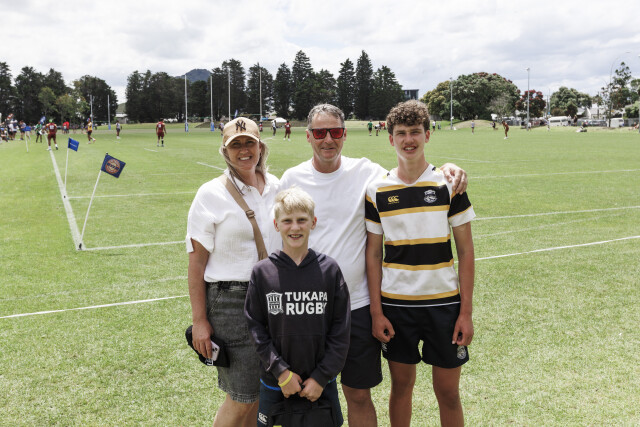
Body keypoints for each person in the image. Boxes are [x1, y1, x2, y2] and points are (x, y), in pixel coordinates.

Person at [279, 103, 468, 426]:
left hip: (360, 306)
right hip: (310, 306)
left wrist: (449, 168)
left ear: (344, 135)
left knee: (359, 393)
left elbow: (410, 170)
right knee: (305, 393)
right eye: (320, 133)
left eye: (335, 131)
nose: (328, 139)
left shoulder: (368, 173)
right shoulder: (292, 178)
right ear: (308, 136)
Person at [365, 100, 475, 427]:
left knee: (448, 392)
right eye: (401, 133)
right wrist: (376, 312)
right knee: (401, 387)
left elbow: (466, 251)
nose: (408, 139)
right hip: (397, 306)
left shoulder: (450, 184)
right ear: (391, 139)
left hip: (444, 305)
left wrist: (466, 313)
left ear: (427, 135)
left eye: (415, 132)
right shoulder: (376, 190)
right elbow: (373, 254)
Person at [186, 117, 280, 427]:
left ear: (260, 146)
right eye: (235, 145)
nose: (243, 150)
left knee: (262, 392)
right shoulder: (210, 193)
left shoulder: (277, 186)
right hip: (231, 301)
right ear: (225, 151)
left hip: (272, 299)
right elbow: (196, 264)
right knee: (243, 396)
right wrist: (199, 321)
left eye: (249, 143)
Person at [245, 186, 351, 426]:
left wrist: (321, 377)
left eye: (302, 220)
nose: (295, 227)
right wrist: (281, 372)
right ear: (276, 225)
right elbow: (255, 328)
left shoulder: (329, 270)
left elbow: (341, 330)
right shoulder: (262, 272)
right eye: (287, 221)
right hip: (276, 382)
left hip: (320, 384)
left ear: (313, 222)